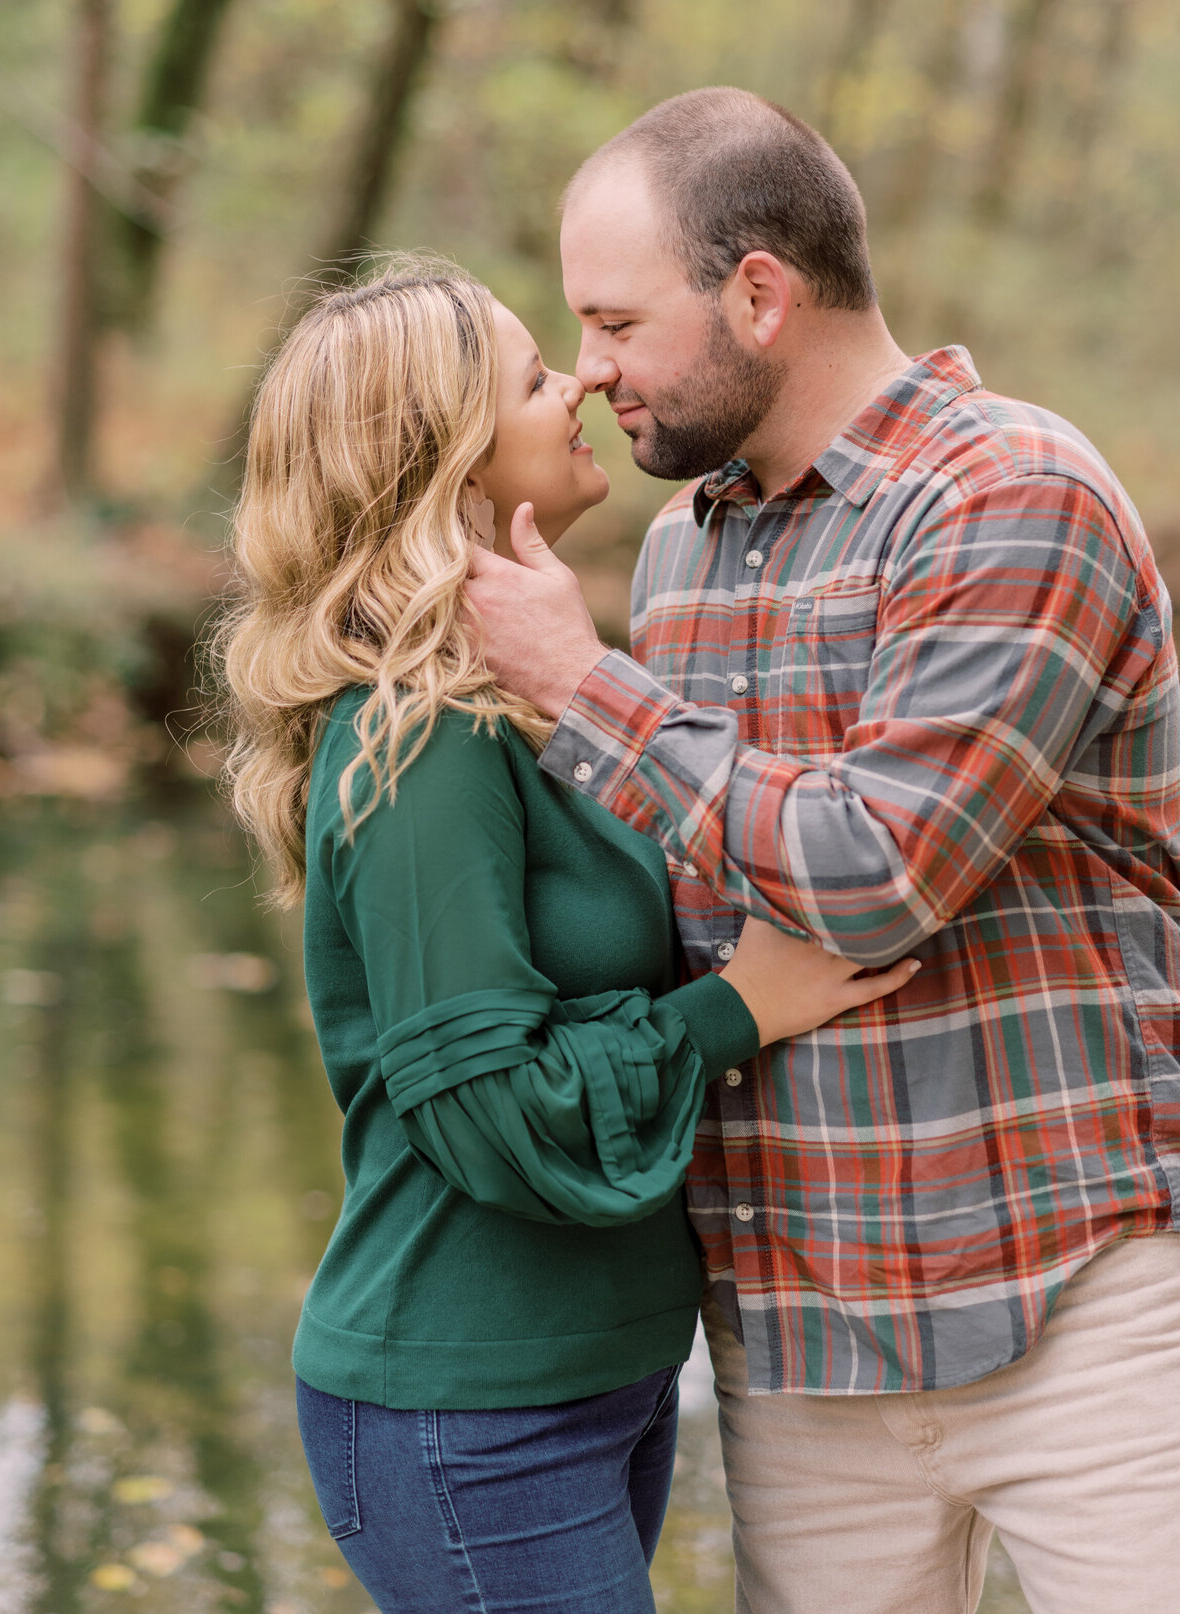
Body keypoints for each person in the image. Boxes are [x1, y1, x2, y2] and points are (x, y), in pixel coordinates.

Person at [466, 88, 1180, 1614]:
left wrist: (580, 681)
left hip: (1085, 1301)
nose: (588, 373)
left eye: (613, 322)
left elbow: (880, 873)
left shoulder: (1011, 494)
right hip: (799, 1336)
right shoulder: (679, 548)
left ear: (761, 295)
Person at [216, 260, 919, 1614]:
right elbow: (492, 1100)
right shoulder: (420, 737)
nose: (584, 381)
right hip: (469, 1408)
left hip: (592, 1378)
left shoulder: (517, 704)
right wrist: (739, 1008)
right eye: (537, 376)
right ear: (449, 459)